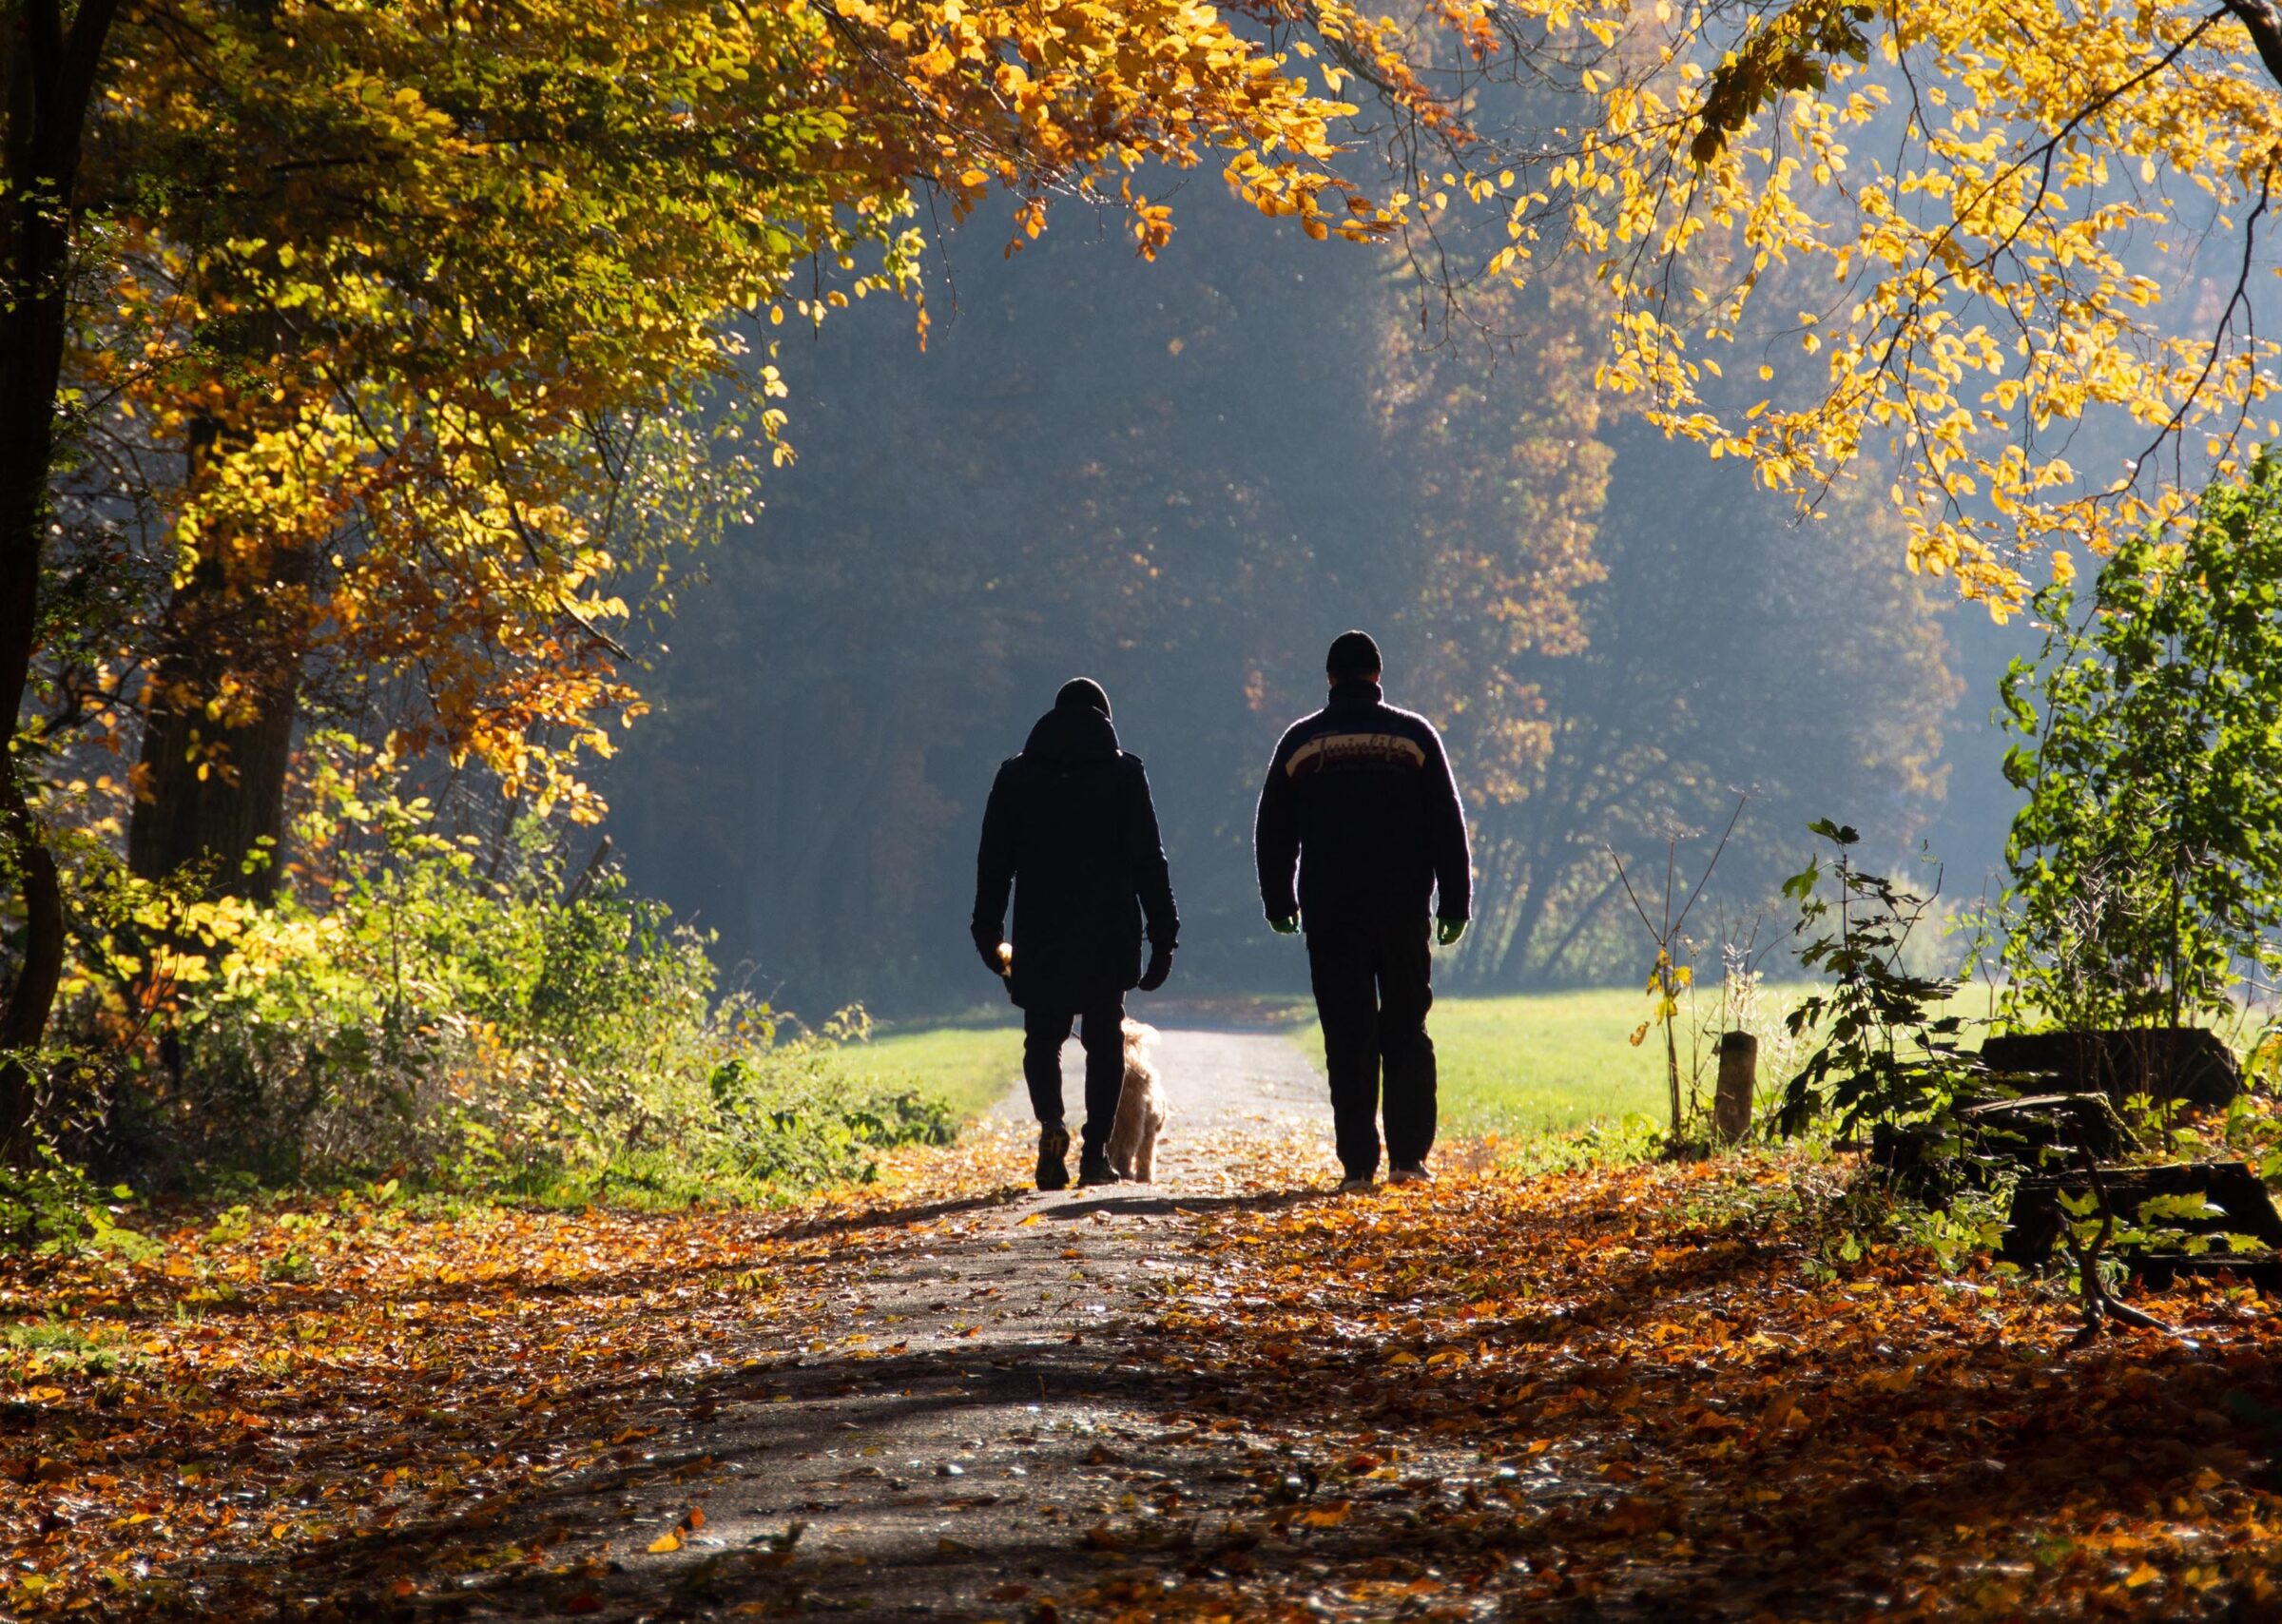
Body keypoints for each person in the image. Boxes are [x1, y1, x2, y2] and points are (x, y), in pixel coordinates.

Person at [1254, 631, 1470, 1189]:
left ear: (1329, 679)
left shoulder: (1301, 742)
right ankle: (1408, 1160)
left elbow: (1273, 829)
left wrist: (1279, 899)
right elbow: (1446, 822)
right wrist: (1455, 900)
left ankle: (1357, 1165)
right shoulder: (1414, 736)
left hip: (1331, 910)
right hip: (1402, 909)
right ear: (1378, 675)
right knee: (1406, 1027)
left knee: (1347, 1033)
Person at [973, 678, 1178, 1189]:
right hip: (1108, 929)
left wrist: (987, 930)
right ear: (1104, 720)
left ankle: (1050, 1128)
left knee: (1042, 1039)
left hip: (1041, 930)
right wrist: (1164, 934)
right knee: (1104, 1039)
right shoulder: (1125, 774)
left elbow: (994, 863)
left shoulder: (1015, 776)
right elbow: (1149, 860)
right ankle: (1095, 1153)